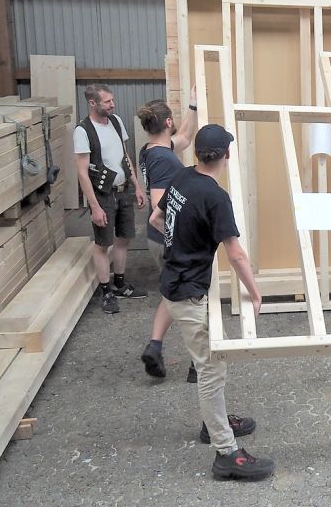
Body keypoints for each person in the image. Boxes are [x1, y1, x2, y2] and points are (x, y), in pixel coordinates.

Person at [149, 124, 274, 480]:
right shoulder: (215, 196)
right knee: (211, 369)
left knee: (211, 366)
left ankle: (215, 421)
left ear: (197, 153)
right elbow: (235, 253)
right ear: (226, 155)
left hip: (175, 283)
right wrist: (255, 290)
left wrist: (183, 248)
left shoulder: (181, 177)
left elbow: (158, 219)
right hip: (187, 293)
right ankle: (225, 451)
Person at [137, 87, 199, 381]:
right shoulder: (163, 159)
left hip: (157, 238)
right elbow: (156, 208)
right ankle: (196, 364)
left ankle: (155, 345)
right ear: (167, 123)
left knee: (171, 295)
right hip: (166, 238)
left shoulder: (151, 150)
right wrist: (179, 243)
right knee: (191, 301)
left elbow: (185, 138)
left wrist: (193, 106)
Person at [74, 83, 147, 315]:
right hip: (103, 194)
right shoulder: (83, 131)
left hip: (124, 191)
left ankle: (120, 284)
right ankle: (106, 292)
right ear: (92, 103)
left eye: (112, 100)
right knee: (103, 244)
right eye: (107, 102)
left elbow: (125, 155)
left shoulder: (116, 121)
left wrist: (137, 186)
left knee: (124, 238)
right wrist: (94, 207)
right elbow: (82, 173)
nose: (112, 104)